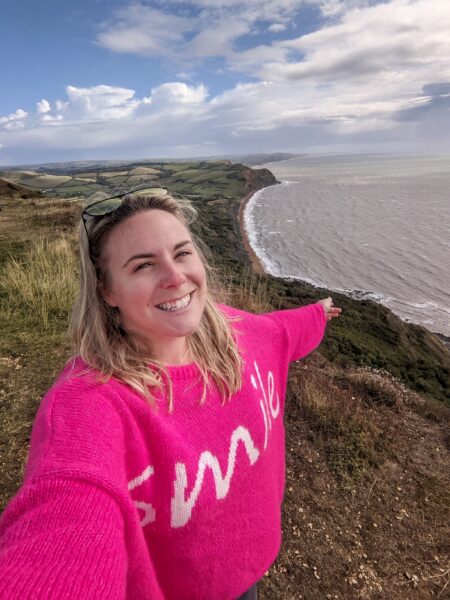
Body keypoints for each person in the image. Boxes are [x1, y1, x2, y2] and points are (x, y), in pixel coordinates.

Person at [0, 192, 341, 599]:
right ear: (107, 291)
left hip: (249, 572)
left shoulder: (242, 334)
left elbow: (285, 331)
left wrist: (318, 312)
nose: (175, 277)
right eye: (143, 265)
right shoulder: (89, 404)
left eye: (182, 254)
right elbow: (66, 514)